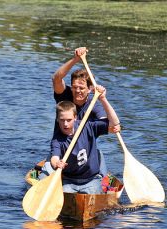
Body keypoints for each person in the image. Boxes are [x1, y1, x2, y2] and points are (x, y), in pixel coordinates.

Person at [40, 47, 120, 177]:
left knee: (99, 161)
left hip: (86, 153)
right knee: (45, 175)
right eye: (75, 87)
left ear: (90, 89)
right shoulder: (65, 96)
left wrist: (103, 98)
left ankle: (98, 180)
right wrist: (75, 59)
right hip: (61, 150)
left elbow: (113, 126)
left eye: (81, 88)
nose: (77, 91)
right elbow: (56, 78)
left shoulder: (95, 107)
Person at [49, 85, 120, 194]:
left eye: (69, 120)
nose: (66, 124)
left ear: (75, 118)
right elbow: (54, 157)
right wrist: (57, 163)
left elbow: (114, 122)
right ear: (57, 119)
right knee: (64, 194)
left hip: (91, 180)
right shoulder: (57, 139)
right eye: (62, 120)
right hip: (68, 181)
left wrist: (103, 99)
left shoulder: (87, 126)